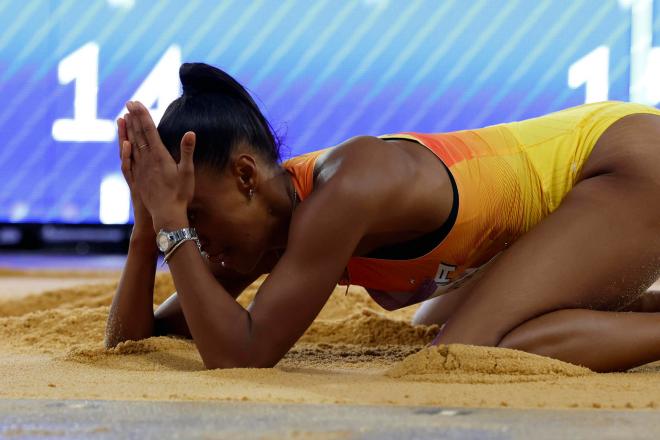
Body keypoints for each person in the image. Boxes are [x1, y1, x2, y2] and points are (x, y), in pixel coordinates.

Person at [105, 62, 660, 373]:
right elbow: (137, 341)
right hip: (595, 180)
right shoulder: (262, 226)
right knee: (431, 329)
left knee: (462, 353)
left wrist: (174, 225)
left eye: (196, 214)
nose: (195, 239)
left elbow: (242, 356)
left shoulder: (344, 191)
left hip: (625, 162)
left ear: (247, 178)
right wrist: (148, 224)